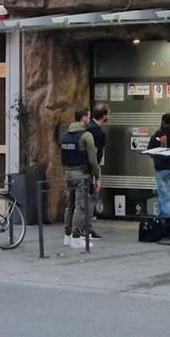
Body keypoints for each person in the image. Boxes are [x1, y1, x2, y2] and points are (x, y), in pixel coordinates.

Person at [62, 108, 101, 250]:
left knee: (69, 206)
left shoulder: (65, 135)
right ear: (84, 117)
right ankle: (76, 238)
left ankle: (67, 236)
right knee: (81, 206)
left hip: (67, 173)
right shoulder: (86, 136)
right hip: (81, 174)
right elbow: (93, 160)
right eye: (88, 117)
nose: (89, 119)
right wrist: (97, 176)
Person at [86, 103, 110, 240]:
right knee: (92, 198)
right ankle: (87, 229)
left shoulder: (86, 128)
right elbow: (97, 155)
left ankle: (76, 230)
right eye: (108, 113)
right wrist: (96, 176)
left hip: (81, 168)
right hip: (91, 169)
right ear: (104, 115)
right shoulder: (98, 132)